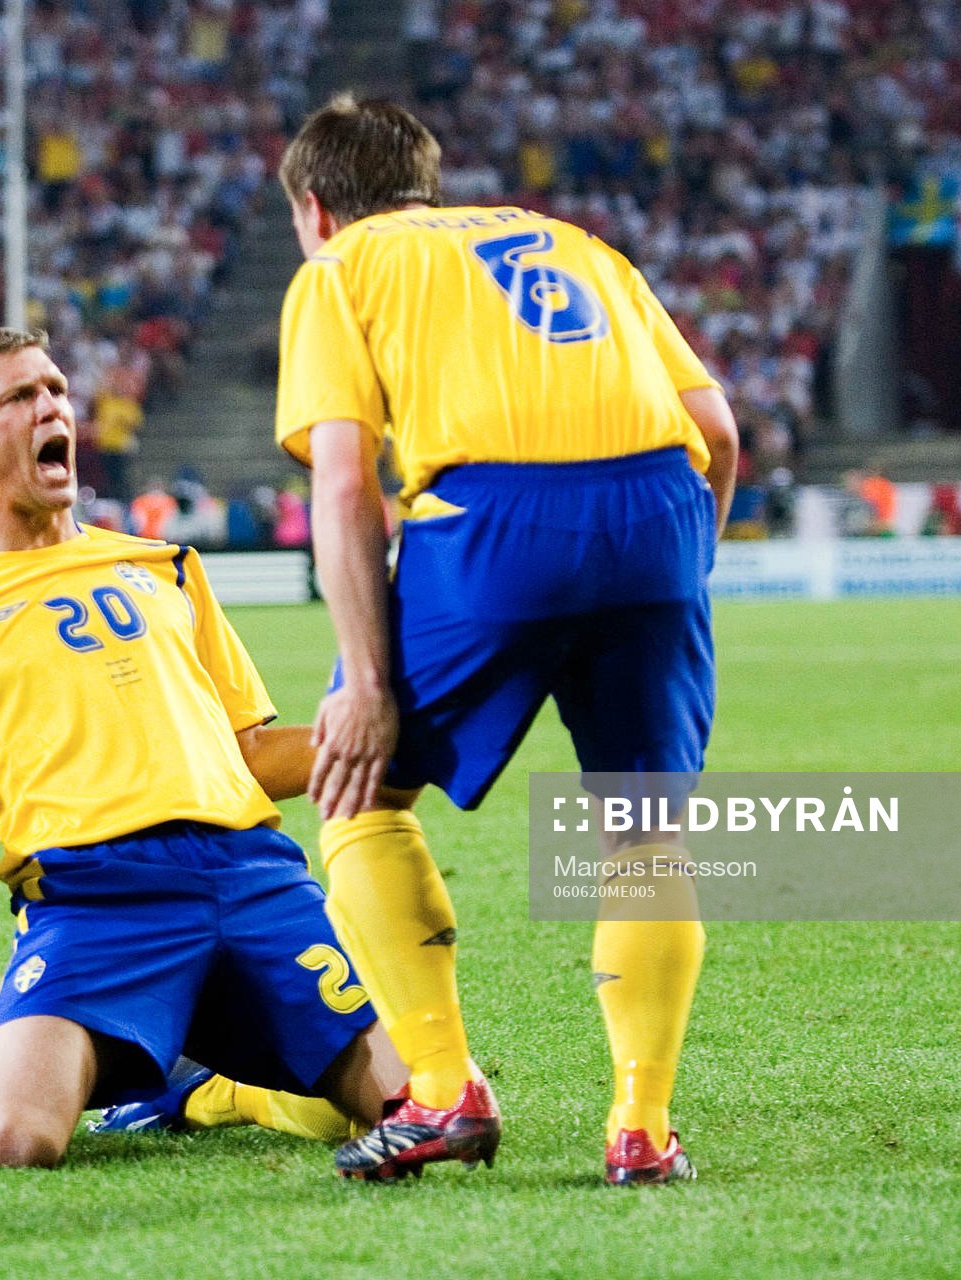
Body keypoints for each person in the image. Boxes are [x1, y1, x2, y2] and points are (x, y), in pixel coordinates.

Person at [273, 97, 738, 1186]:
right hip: (662, 514)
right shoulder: (577, 246)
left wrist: (368, 685)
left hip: (495, 522)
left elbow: (343, 482)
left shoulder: (341, 270)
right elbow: (716, 431)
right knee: (644, 836)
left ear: (315, 208)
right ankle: (642, 1129)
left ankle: (440, 1091)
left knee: (356, 790)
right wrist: (675, 573)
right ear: (427, 181)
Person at [0, 318, 405, 1170]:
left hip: (251, 879)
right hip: (96, 900)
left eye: (53, 388)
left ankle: (207, 1086)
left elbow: (250, 754)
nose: (53, 405)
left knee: (409, 1110)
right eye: (19, 396)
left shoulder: (168, 568)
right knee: (8, 1146)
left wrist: (389, 743)